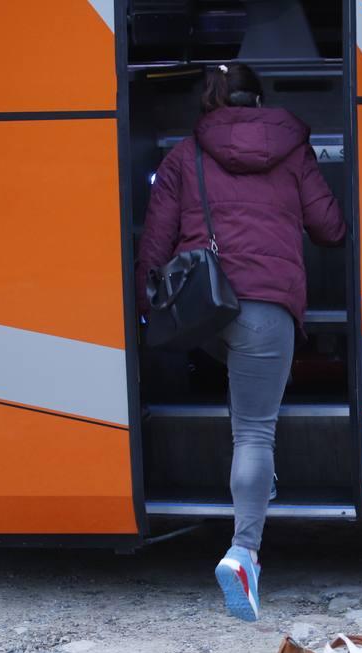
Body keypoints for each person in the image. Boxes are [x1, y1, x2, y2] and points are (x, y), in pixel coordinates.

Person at [137, 63, 346, 622]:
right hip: (264, 311)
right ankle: (243, 554)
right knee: (254, 431)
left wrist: (150, 310)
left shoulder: (183, 155)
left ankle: (256, 485)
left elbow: (153, 249)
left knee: (243, 399)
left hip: (203, 315)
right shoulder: (292, 149)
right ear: (260, 98)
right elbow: (332, 228)